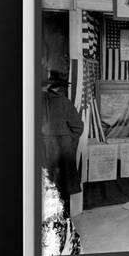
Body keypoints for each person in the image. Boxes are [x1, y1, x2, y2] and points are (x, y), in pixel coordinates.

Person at [41, 70, 84, 216]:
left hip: (42, 150)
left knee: (46, 186)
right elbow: (78, 127)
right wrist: (68, 139)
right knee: (63, 187)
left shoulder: (35, 101)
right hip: (62, 150)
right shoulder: (64, 102)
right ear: (60, 88)